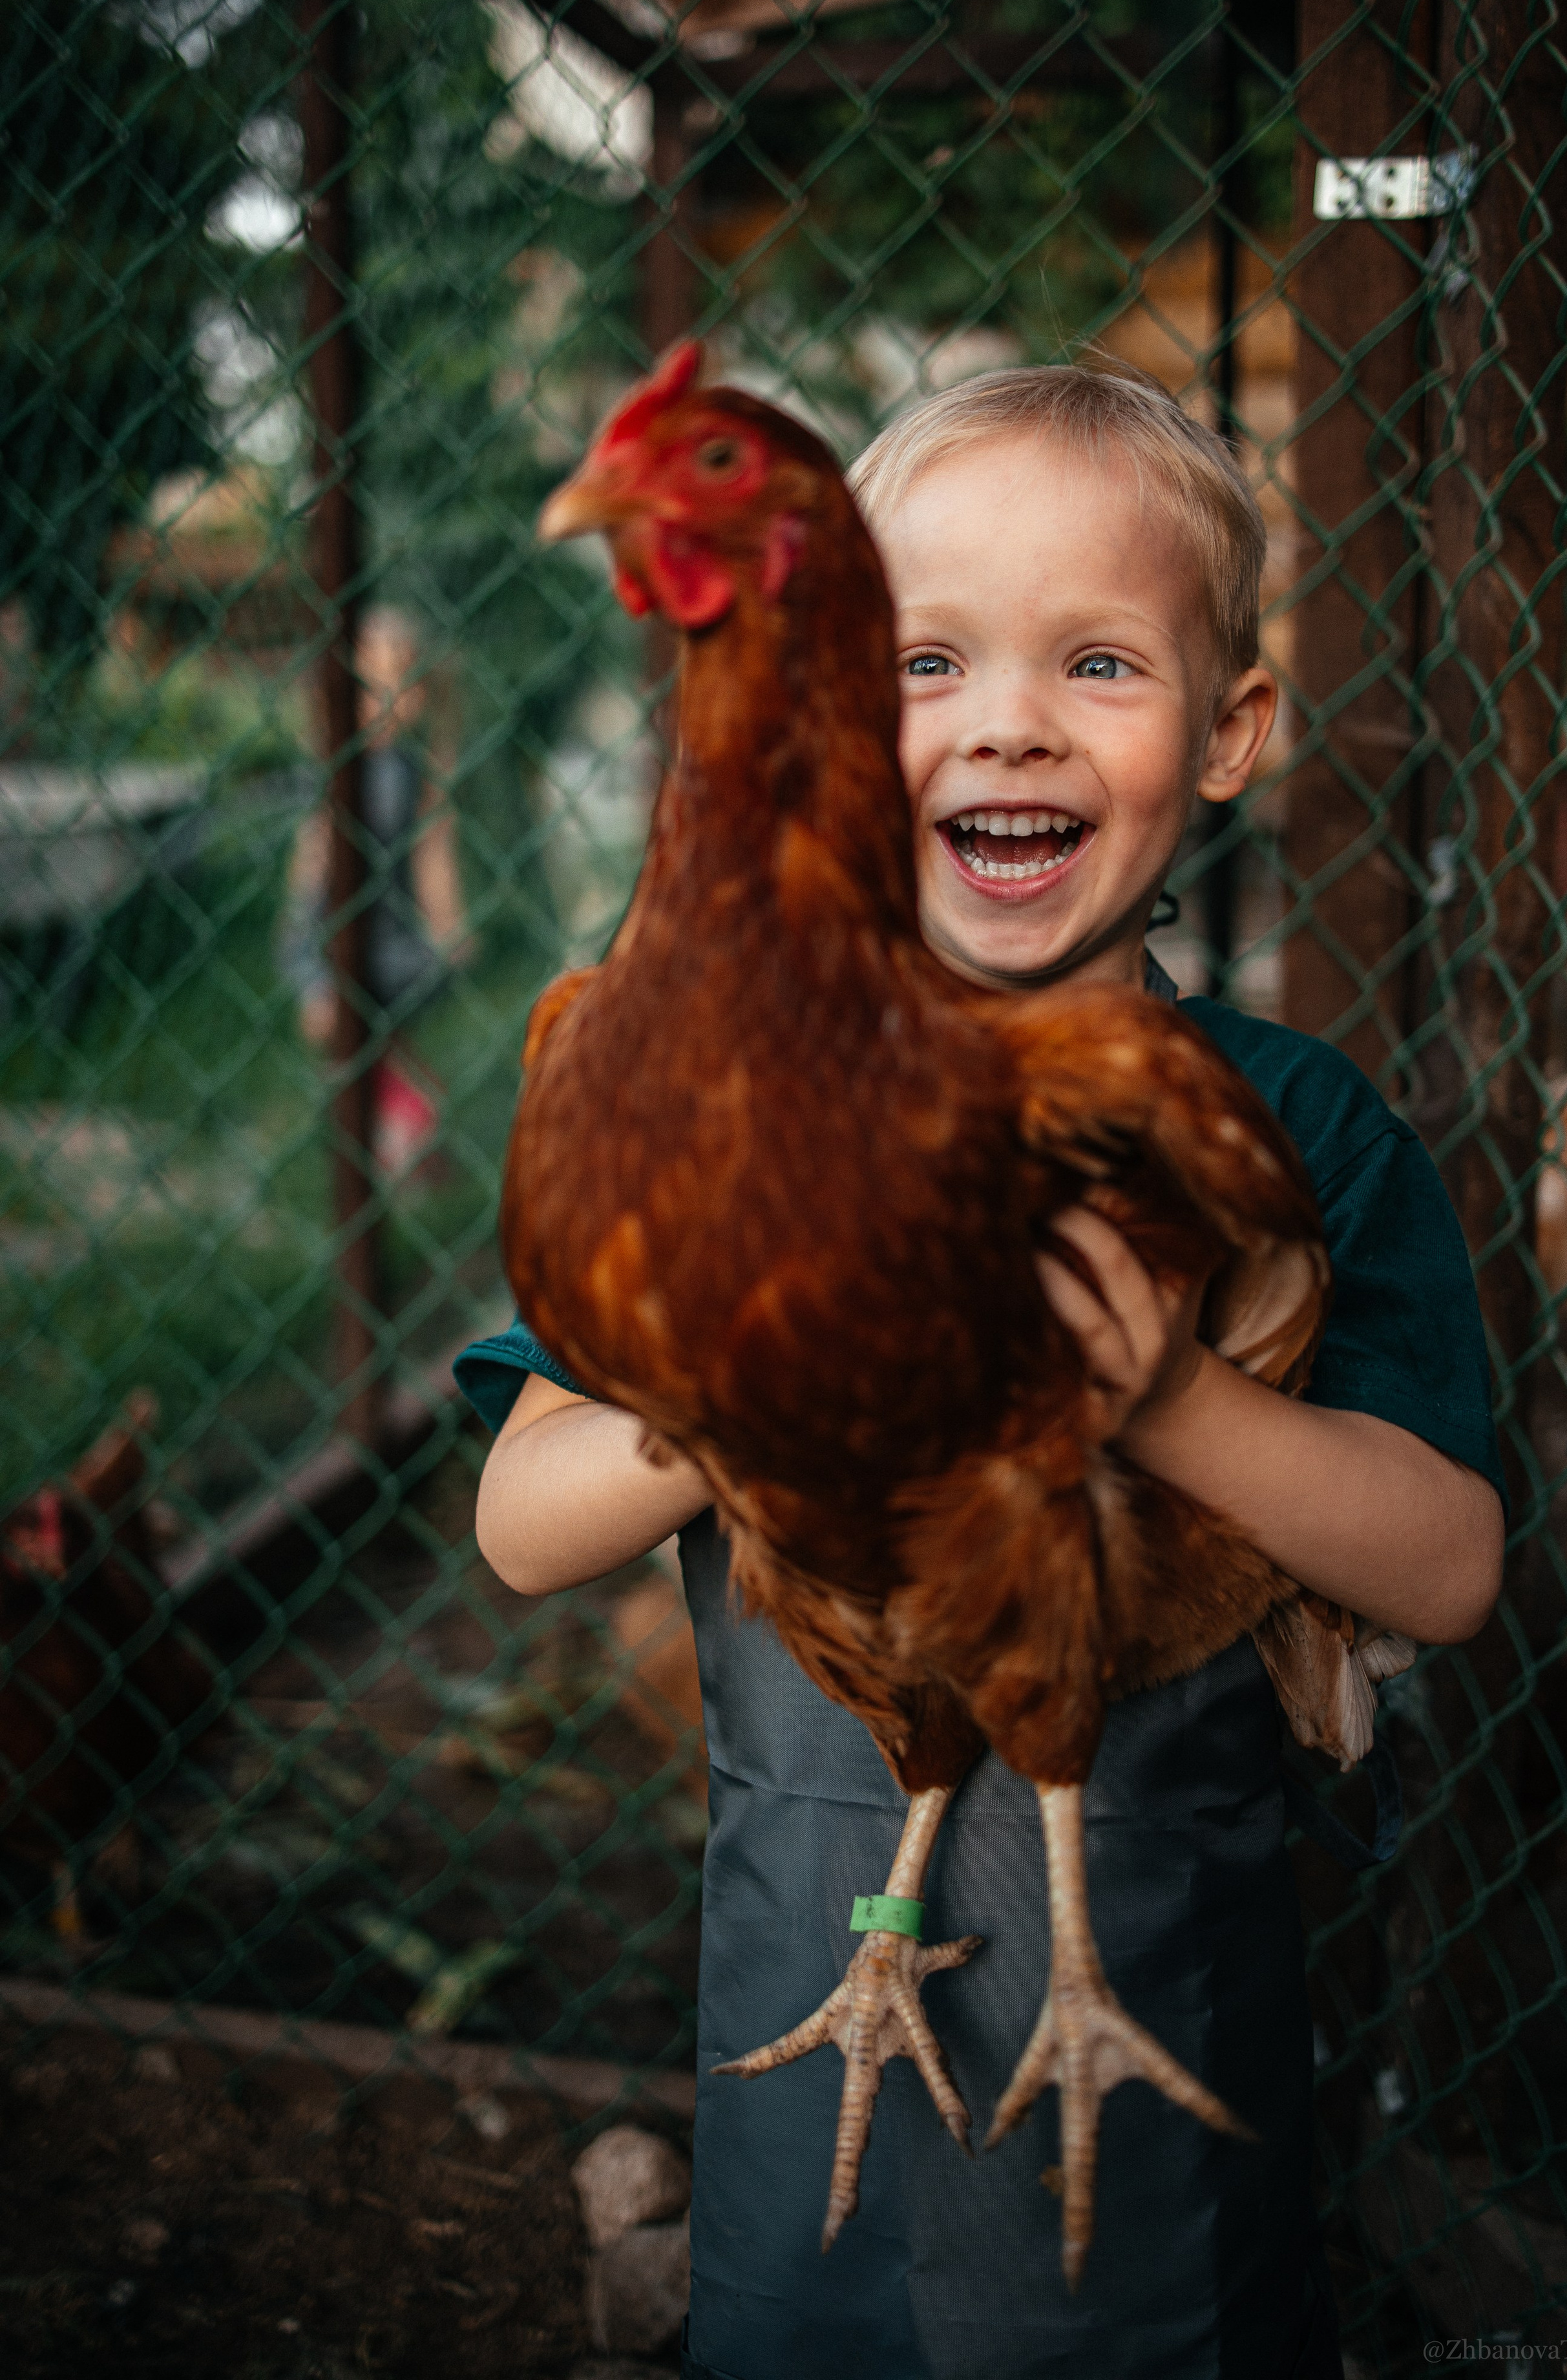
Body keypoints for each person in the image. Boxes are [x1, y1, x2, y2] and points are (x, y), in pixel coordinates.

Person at [454, 363, 1506, 2380]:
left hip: (1165, 2012)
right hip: (810, 1970)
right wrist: (747, 1376)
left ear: (1232, 732)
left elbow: (1448, 1569)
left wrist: (1178, 1403)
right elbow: (521, 1524)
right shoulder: (730, 1098)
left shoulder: (1298, 1129)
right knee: (815, 2315)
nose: (1009, 720)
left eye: (1097, 661)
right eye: (924, 661)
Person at [282, 607, 468, 1177]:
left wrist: (449, 924)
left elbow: (433, 849)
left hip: (392, 936)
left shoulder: (415, 768)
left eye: (401, 686)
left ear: (421, 695)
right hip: (330, 933)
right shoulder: (339, 770)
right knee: (345, 1035)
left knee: (384, 1038)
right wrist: (302, 945)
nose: (385, 703)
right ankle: (393, 1131)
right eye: (369, 687)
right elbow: (311, 861)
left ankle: (401, 1129)